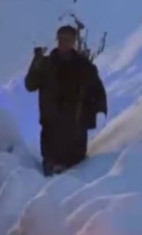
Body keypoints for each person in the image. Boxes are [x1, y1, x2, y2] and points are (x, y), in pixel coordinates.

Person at [24, 25, 107, 176]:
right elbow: (30, 85)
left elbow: (97, 90)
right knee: (50, 179)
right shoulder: (46, 64)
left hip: (75, 133)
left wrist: (99, 112)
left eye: (68, 39)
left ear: (74, 41)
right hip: (51, 132)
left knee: (77, 176)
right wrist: (36, 62)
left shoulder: (83, 66)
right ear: (57, 40)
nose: (64, 43)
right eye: (62, 39)